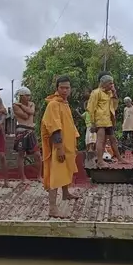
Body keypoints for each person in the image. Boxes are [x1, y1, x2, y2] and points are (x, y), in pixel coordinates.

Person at [41, 75, 80, 218]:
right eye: (62, 88)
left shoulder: (64, 103)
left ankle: (65, 193)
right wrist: (59, 148)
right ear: (57, 88)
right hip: (58, 146)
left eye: (67, 88)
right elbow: (54, 128)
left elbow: (68, 125)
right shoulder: (54, 104)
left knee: (66, 169)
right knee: (56, 175)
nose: (65, 90)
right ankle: (52, 208)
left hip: (67, 144)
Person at [87, 73, 126, 168]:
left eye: (112, 83)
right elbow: (90, 108)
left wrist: (114, 93)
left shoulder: (109, 93)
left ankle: (119, 158)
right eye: (110, 83)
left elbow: (114, 106)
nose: (111, 85)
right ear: (103, 83)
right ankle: (100, 161)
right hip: (99, 121)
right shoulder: (96, 92)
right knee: (100, 141)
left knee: (113, 139)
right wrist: (92, 123)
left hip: (108, 120)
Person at [12, 87, 42, 181]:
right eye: (26, 95)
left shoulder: (29, 104)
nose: (28, 97)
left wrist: (21, 105)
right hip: (21, 130)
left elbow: (31, 112)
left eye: (29, 95)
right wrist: (24, 108)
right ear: (22, 96)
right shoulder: (15, 106)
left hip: (31, 130)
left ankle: (39, 176)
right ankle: (23, 177)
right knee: (21, 154)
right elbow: (25, 116)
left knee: (37, 154)